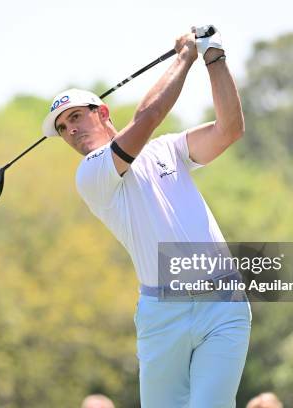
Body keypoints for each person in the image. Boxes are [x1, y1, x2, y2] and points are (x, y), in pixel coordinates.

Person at [42, 26, 251, 407]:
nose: (70, 130)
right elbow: (150, 115)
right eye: (62, 128)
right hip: (161, 312)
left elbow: (230, 130)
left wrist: (213, 57)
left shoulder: (167, 150)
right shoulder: (91, 173)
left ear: (101, 112)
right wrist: (184, 57)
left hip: (223, 301)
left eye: (75, 117)